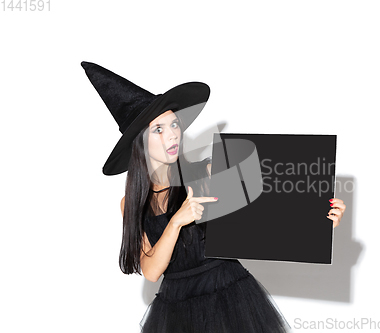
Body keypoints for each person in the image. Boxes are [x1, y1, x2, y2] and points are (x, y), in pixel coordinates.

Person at [81, 61, 346, 332]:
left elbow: (268, 210)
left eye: (174, 124)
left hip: (231, 297)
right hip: (176, 310)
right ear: (139, 142)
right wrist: (176, 222)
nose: (173, 134)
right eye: (159, 129)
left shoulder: (207, 172)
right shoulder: (131, 204)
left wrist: (317, 221)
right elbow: (150, 271)